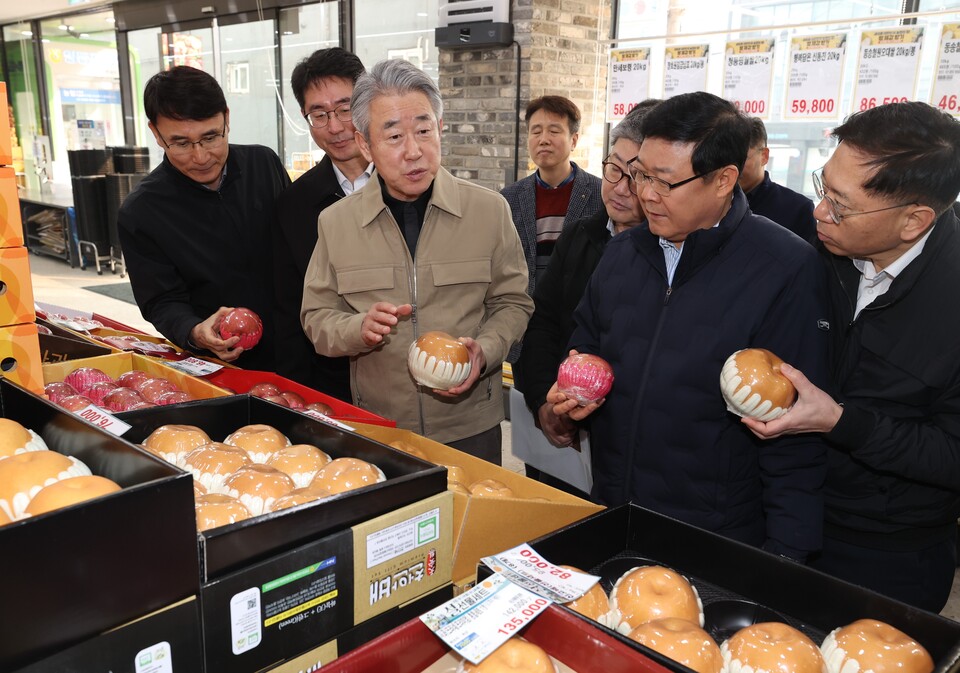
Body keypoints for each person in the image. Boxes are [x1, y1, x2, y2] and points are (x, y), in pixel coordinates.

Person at [547, 92, 831, 560]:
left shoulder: (784, 267)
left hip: (715, 531)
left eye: (665, 182)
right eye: (640, 175)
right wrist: (569, 398)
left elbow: (795, 434)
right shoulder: (622, 253)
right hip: (615, 506)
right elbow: (585, 344)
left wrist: (784, 559)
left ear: (723, 180)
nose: (645, 195)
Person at [744, 102, 960, 612]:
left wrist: (842, 422)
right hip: (785, 509)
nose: (819, 212)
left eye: (840, 205)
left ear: (914, 221)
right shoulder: (817, 255)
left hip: (887, 550)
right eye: (824, 188)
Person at [300, 59, 533, 464]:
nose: (413, 151)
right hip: (381, 429)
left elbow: (513, 302)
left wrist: (487, 349)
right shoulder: (336, 222)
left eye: (424, 131)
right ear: (365, 144)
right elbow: (317, 319)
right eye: (393, 136)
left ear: (440, 129)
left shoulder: (488, 211)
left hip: (469, 425)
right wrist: (360, 328)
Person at [513, 100, 659, 496]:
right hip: (559, 421)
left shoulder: (670, 253)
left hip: (628, 441)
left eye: (639, 176)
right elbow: (542, 322)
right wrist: (546, 402)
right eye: (614, 169)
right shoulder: (580, 235)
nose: (621, 188)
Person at [119, 66, 290, 370]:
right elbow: (161, 301)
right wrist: (195, 332)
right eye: (181, 143)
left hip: (300, 350)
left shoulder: (264, 164)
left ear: (227, 117)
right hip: (223, 367)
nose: (200, 157)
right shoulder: (141, 211)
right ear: (156, 134)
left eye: (211, 137)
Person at [272, 48, 371, 400]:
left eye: (345, 109)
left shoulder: (411, 183)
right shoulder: (294, 203)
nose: (335, 127)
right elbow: (290, 307)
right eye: (319, 114)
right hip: (332, 381)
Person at [501, 95, 603, 366]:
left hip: (582, 331)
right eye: (536, 131)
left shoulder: (600, 194)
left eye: (554, 130)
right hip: (526, 331)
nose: (543, 139)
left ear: (574, 139)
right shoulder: (508, 198)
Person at [739, 117, 816, 242]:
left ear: (764, 156)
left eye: (740, 159)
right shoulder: (712, 201)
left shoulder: (797, 209)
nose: (730, 168)